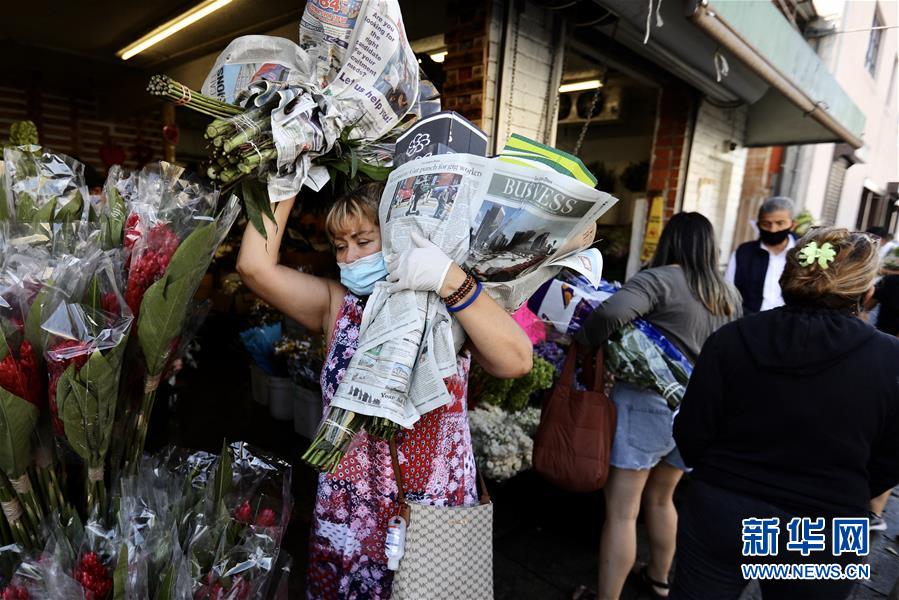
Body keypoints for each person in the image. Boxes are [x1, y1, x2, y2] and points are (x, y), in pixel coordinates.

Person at [236, 183, 532, 600]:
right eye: (339, 246)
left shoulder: (447, 306)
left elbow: (517, 361)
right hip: (350, 516)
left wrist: (449, 279)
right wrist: (288, 179)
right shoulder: (338, 306)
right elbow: (254, 267)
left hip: (433, 511)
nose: (349, 257)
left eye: (362, 241)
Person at [672, 227, 899, 600]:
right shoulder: (890, 359)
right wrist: (847, 486)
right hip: (830, 525)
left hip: (725, 505)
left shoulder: (732, 338)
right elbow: (891, 457)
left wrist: (721, 475)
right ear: (866, 293)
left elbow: (692, 430)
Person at [575, 212, 741, 599]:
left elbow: (612, 312)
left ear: (670, 240)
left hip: (646, 405)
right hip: (698, 410)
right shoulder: (727, 293)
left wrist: (584, 342)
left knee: (622, 511)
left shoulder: (659, 279)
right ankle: (660, 577)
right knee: (663, 497)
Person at [725, 196, 797, 314]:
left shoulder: (803, 255)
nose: (773, 229)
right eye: (766, 224)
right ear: (758, 224)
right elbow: (728, 293)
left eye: (780, 223)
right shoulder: (743, 253)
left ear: (793, 224)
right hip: (748, 325)